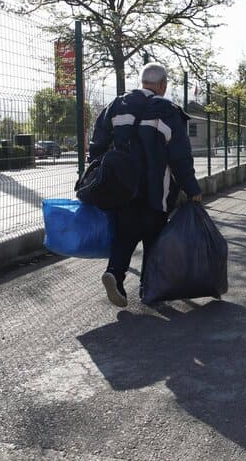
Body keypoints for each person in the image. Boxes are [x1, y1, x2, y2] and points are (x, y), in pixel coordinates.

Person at [88, 62, 202, 308]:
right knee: (153, 237)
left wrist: (96, 173)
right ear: (162, 85)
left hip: (121, 189)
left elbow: (97, 143)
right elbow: (180, 158)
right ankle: (148, 288)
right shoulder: (170, 112)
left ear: (142, 82)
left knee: (124, 235)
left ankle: (115, 274)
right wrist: (192, 189)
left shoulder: (118, 105)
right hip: (155, 190)